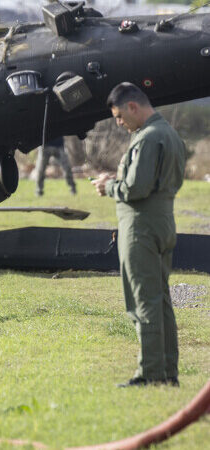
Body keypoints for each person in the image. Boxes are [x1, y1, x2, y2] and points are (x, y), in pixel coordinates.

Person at [92, 82, 186, 388]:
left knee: (143, 300)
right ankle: (168, 371)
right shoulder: (169, 134)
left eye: (119, 116)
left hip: (141, 228)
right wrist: (119, 178)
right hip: (163, 222)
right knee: (161, 300)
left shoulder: (147, 138)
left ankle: (150, 374)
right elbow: (157, 180)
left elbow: (136, 188)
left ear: (133, 107)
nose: (119, 123)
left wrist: (109, 187)